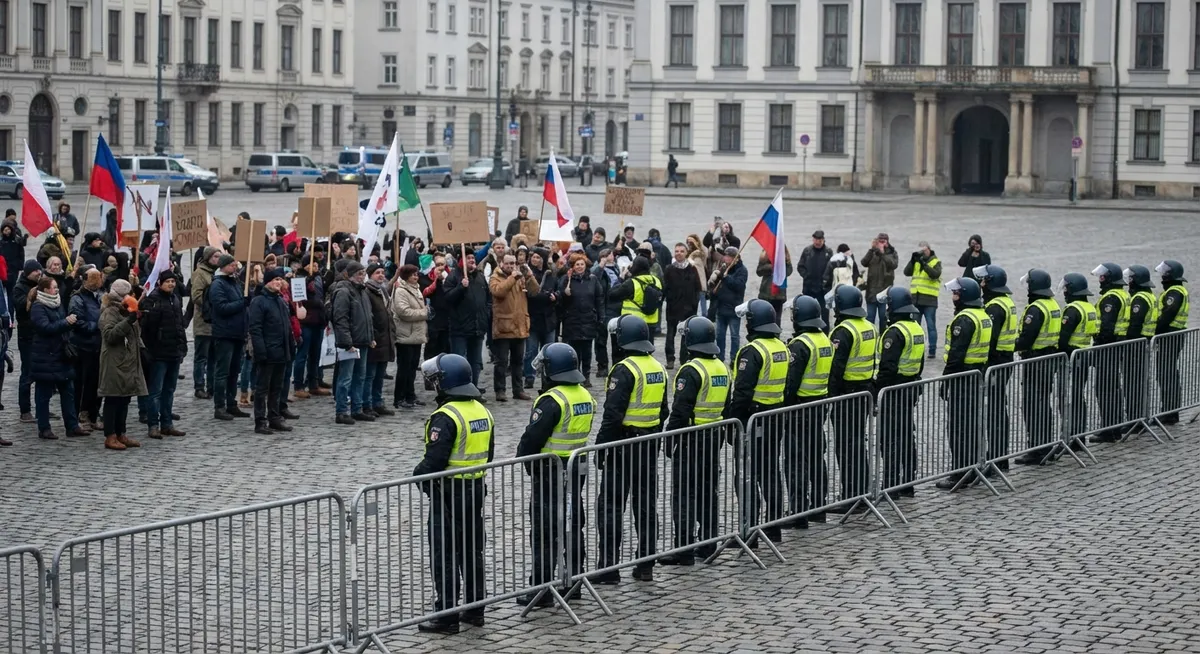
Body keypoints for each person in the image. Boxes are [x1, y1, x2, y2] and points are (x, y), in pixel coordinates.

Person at [413, 353, 495, 634]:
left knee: (445, 554)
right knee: (472, 552)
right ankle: (475, 610)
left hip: (448, 494)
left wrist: (418, 474)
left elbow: (434, 461)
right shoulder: (483, 411)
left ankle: (446, 614)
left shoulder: (445, 416)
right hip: (474, 489)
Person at [515, 343, 595, 605]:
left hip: (550, 471)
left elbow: (532, 438)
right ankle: (574, 583)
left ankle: (541, 588)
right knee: (572, 526)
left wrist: (525, 461)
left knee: (544, 530)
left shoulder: (552, 400)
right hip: (575, 468)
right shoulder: (583, 394)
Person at [594, 315, 668, 584]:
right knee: (646, 506)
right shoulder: (658, 368)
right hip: (647, 445)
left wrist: (602, 448)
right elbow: (663, 411)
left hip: (623, 446)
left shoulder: (624, 370)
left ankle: (608, 567)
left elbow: (612, 414)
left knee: (611, 506)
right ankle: (646, 563)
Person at [658, 316, 727, 565]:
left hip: (690, 439)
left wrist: (670, 440)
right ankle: (708, 544)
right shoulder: (721, 366)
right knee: (708, 492)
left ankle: (684, 549)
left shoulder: (691, 369)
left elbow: (680, 409)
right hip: (713, 437)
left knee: (684, 494)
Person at [724, 299, 789, 544]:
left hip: (753, 420)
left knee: (746, 475)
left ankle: (749, 530)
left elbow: (742, 392)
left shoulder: (752, 351)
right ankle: (773, 527)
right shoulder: (780, 347)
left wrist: (734, 423)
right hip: (774, 416)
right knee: (771, 471)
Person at [781, 296, 831, 526]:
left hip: (799, 409)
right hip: (818, 406)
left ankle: (798, 510)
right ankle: (819, 506)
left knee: (795, 461)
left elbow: (791, 383)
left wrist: (784, 407)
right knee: (815, 457)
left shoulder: (799, 345)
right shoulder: (824, 339)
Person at [938, 277, 991, 489]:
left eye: (956, 293)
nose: (953, 297)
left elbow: (956, 354)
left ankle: (960, 472)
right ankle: (973, 467)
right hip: (976, 374)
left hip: (962, 377)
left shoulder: (964, 319)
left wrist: (946, 380)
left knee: (959, 427)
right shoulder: (982, 315)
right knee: (971, 425)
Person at [827, 285, 875, 508]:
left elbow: (835, 368)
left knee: (846, 447)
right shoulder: (869, 327)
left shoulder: (843, 331)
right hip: (863, 392)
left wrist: (830, 397)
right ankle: (862, 490)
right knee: (857, 444)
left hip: (846, 396)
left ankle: (851, 496)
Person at [875, 287, 925, 497]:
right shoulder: (915, 328)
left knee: (890, 438)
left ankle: (891, 483)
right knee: (906, 435)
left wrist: (878, 391)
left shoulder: (894, 332)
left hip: (893, 390)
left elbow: (887, 367)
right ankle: (908, 483)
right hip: (910, 386)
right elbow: (920, 362)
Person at [28, 276, 86, 440]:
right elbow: (45, 327)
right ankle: (44, 428)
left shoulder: (57, 302)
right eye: (54, 287)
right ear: (45, 290)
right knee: (43, 395)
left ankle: (72, 426)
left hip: (61, 355)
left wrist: (68, 324)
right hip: (45, 356)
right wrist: (66, 323)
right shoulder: (38, 307)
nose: (56, 290)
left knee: (68, 391)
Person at [1014, 269, 1061, 465]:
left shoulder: (1036, 309)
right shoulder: (1053, 305)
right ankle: (1046, 445)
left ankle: (1036, 448)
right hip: (1048, 359)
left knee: (1033, 405)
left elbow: (1026, 339)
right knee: (1043, 403)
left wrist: (1012, 345)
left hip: (1036, 360)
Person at [975, 264, 1018, 467]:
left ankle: (997, 457)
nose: (981, 284)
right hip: (1005, 359)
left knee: (995, 409)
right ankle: (1000, 456)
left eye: (984, 280)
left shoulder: (995, 307)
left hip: (996, 362)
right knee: (999, 406)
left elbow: (990, 340)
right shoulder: (1006, 301)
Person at [246, 267, 297, 434]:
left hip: (281, 352)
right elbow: (256, 329)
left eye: (280, 280)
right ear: (267, 282)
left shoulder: (281, 301)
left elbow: (287, 326)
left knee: (277, 387)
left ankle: (274, 417)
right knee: (262, 389)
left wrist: (291, 345)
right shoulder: (259, 302)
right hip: (267, 352)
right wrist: (261, 352)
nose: (279, 282)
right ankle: (260, 421)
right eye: (275, 280)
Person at [140, 272, 189, 439]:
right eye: (168, 281)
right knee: (155, 391)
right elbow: (147, 329)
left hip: (173, 352)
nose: (171, 284)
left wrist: (182, 346)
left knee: (169, 390)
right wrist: (150, 351)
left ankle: (167, 423)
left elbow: (179, 325)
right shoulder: (152, 300)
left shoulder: (174, 299)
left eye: (173, 281)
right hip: (159, 353)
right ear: (160, 283)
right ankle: (153, 424)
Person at [97, 280, 146, 450]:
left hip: (127, 361)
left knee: (125, 398)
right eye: (128, 293)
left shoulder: (125, 310)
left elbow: (134, 333)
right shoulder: (109, 311)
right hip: (114, 361)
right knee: (113, 399)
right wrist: (129, 320)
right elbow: (110, 335)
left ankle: (121, 433)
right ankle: (110, 436)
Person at [489, 253, 539, 402]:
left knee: (518, 361)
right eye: (508, 263)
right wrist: (513, 278)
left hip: (520, 326)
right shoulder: (495, 277)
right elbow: (499, 292)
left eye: (513, 263)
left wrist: (530, 276)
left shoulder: (520, 277)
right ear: (501, 264)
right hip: (504, 327)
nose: (510, 266)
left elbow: (535, 292)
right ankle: (500, 390)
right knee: (502, 362)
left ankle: (518, 389)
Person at [1088, 262, 1129, 442]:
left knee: (1105, 389)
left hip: (1107, 347)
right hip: (1117, 345)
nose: (1100, 279)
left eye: (1102, 276)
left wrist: (1098, 341)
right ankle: (1115, 426)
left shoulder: (1110, 298)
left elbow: (1106, 326)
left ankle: (1109, 429)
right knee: (1112, 388)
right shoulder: (1123, 294)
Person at [331, 261, 374, 424]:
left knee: (360, 377)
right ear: (349, 275)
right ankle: (341, 411)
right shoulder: (343, 291)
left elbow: (368, 317)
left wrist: (371, 337)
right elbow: (340, 319)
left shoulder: (363, 291)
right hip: (349, 343)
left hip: (363, 341)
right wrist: (346, 342)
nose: (362, 277)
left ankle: (357, 409)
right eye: (359, 273)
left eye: (363, 273)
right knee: (346, 378)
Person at [1058, 273, 1098, 441]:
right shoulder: (1089, 307)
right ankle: (1078, 434)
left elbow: (1063, 337)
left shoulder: (1073, 309)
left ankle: (1070, 436)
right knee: (1077, 396)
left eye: (1066, 288)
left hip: (1071, 358)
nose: (1064, 292)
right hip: (1083, 354)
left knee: (1067, 398)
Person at [446, 248, 490, 394]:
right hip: (460, 328)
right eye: (468, 258)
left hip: (478, 326)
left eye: (473, 258)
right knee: (459, 361)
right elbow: (448, 298)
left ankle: (473, 387)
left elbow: (488, 299)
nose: (472, 260)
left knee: (475, 362)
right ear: (461, 261)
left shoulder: (480, 277)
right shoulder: (453, 277)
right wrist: (460, 287)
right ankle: (458, 389)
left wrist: (486, 314)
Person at [558, 253, 603, 386]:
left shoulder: (593, 279)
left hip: (588, 320)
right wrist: (565, 294)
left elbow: (599, 299)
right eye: (577, 264)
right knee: (574, 351)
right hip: (572, 320)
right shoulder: (567, 279)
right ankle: (575, 374)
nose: (580, 267)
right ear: (573, 266)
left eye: (582, 264)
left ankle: (586, 376)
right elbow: (560, 299)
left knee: (587, 351)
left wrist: (601, 317)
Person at [69, 268, 104, 431]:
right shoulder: (77, 299)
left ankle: (93, 414)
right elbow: (77, 321)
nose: (98, 281)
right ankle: (78, 415)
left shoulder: (101, 296)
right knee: (81, 384)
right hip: (83, 346)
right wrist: (96, 326)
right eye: (94, 278)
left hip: (98, 346)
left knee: (96, 383)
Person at [1154, 260, 1188, 426]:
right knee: (1168, 373)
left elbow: (1168, 314)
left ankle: (1169, 413)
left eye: (1165, 272)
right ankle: (1169, 411)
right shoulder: (1177, 290)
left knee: (1167, 374)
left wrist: (1155, 331)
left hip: (1170, 336)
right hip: (1173, 335)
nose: (1162, 275)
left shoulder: (1174, 292)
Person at [1124, 264, 1156, 434]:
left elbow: (1135, 324)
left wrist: (1126, 343)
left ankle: (1134, 421)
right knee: (1138, 383)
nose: (1128, 282)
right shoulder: (1149, 296)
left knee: (1132, 384)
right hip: (1144, 343)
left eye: (1130, 278)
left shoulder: (1140, 299)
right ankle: (1138, 418)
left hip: (1136, 346)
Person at [392, 264, 429, 410]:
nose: (416, 276)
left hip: (416, 335)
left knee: (412, 368)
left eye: (416, 274)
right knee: (404, 369)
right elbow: (404, 312)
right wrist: (424, 313)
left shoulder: (416, 288)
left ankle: (410, 395)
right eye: (413, 274)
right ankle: (399, 397)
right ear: (406, 276)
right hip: (406, 335)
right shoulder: (401, 291)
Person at [610, 256, 663, 357]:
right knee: (648, 350)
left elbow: (612, 295)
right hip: (651, 322)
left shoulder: (632, 282)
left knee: (632, 352)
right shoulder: (656, 281)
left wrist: (621, 277)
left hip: (633, 324)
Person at [363, 263, 397, 418]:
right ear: (370, 275)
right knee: (370, 375)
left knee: (379, 375)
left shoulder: (382, 290)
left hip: (386, 339)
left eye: (383, 272)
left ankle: (378, 402)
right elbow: (369, 316)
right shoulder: (367, 291)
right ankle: (367, 404)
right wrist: (374, 334)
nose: (381, 275)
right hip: (375, 339)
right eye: (377, 273)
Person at [293, 262, 330, 398]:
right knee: (302, 355)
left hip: (319, 320)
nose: (315, 266)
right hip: (306, 321)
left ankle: (313, 383)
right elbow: (299, 299)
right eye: (312, 263)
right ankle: (298, 385)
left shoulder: (319, 277)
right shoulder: (299, 278)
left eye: (316, 264)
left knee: (315, 355)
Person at [523, 249, 558, 389]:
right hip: (533, 318)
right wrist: (546, 296)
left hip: (548, 319)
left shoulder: (550, 274)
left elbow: (556, 291)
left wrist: (555, 297)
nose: (534, 259)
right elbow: (532, 295)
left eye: (538, 257)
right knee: (530, 351)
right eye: (533, 257)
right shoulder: (528, 274)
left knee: (549, 352)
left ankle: (548, 377)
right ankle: (529, 377)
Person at [663, 243, 702, 369]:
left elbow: (698, 288)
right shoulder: (669, 269)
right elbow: (665, 288)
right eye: (676, 251)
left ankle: (684, 359)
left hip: (688, 308)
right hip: (673, 308)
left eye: (681, 251)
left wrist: (694, 305)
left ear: (686, 253)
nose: (679, 253)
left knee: (685, 335)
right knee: (670, 334)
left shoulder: (692, 269)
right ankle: (670, 359)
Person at [189, 247, 221, 399]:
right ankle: (199, 386)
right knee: (201, 357)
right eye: (215, 256)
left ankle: (212, 386)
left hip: (216, 323)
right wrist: (213, 305)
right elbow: (196, 296)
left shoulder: (217, 273)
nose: (217, 259)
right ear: (208, 257)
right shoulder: (199, 273)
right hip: (204, 321)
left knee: (214, 357)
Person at [708, 247, 748, 363]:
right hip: (721, 308)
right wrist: (713, 282)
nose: (725, 258)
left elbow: (738, 286)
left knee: (734, 336)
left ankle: (734, 358)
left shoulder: (742, 270)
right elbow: (717, 286)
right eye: (725, 256)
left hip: (734, 308)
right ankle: (720, 358)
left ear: (736, 258)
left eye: (729, 256)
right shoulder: (723, 268)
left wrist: (725, 277)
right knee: (720, 336)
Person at [904, 240, 942, 357]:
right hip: (916, 299)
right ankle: (917, 349)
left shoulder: (936, 261)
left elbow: (935, 274)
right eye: (920, 251)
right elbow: (906, 272)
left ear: (929, 250)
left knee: (931, 325)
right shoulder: (916, 262)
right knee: (915, 326)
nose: (922, 253)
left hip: (929, 300)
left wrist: (924, 264)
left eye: (924, 251)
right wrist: (912, 260)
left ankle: (932, 350)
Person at [860, 233, 898, 330]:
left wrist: (882, 253)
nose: (881, 243)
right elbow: (864, 262)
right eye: (879, 241)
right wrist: (872, 249)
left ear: (887, 242)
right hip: (871, 292)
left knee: (883, 318)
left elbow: (893, 265)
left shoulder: (892, 253)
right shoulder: (873, 253)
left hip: (884, 291)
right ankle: (871, 338)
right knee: (870, 318)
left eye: (883, 241)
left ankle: (882, 337)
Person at [799, 230, 834, 330]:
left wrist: (827, 281)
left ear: (823, 240)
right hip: (809, 287)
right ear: (813, 239)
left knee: (825, 313)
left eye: (819, 240)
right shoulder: (807, 251)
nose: (817, 242)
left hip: (823, 289)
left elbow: (832, 269)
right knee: (807, 311)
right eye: (815, 240)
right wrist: (806, 276)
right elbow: (800, 266)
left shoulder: (828, 252)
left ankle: (825, 333)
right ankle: (807, 329)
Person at [755, 248, 793, 327]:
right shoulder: (764, 258)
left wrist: (781, 265)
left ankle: (776, 336)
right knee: (764, 318)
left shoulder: (784, 258)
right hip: (765, 294)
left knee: (777, 319)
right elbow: (759, 272)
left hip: (779, 295)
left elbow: (789, 271)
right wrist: (771, 266)